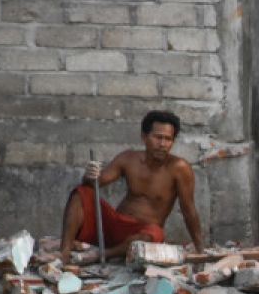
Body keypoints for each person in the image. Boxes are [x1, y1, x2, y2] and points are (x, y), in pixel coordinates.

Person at [59, 110, 205, 264]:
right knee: (81, 193)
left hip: (142, 233)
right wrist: (89, 175)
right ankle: (64, 253)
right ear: (144, 137)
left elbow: (188, 210)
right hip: (114, 226)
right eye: (158, 137)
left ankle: (101, 254)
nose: (162, 144)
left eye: (168, 139)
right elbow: (95, 183)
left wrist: (200, 247)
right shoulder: (129, 158)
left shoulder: (179, 168)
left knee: (155, 234)